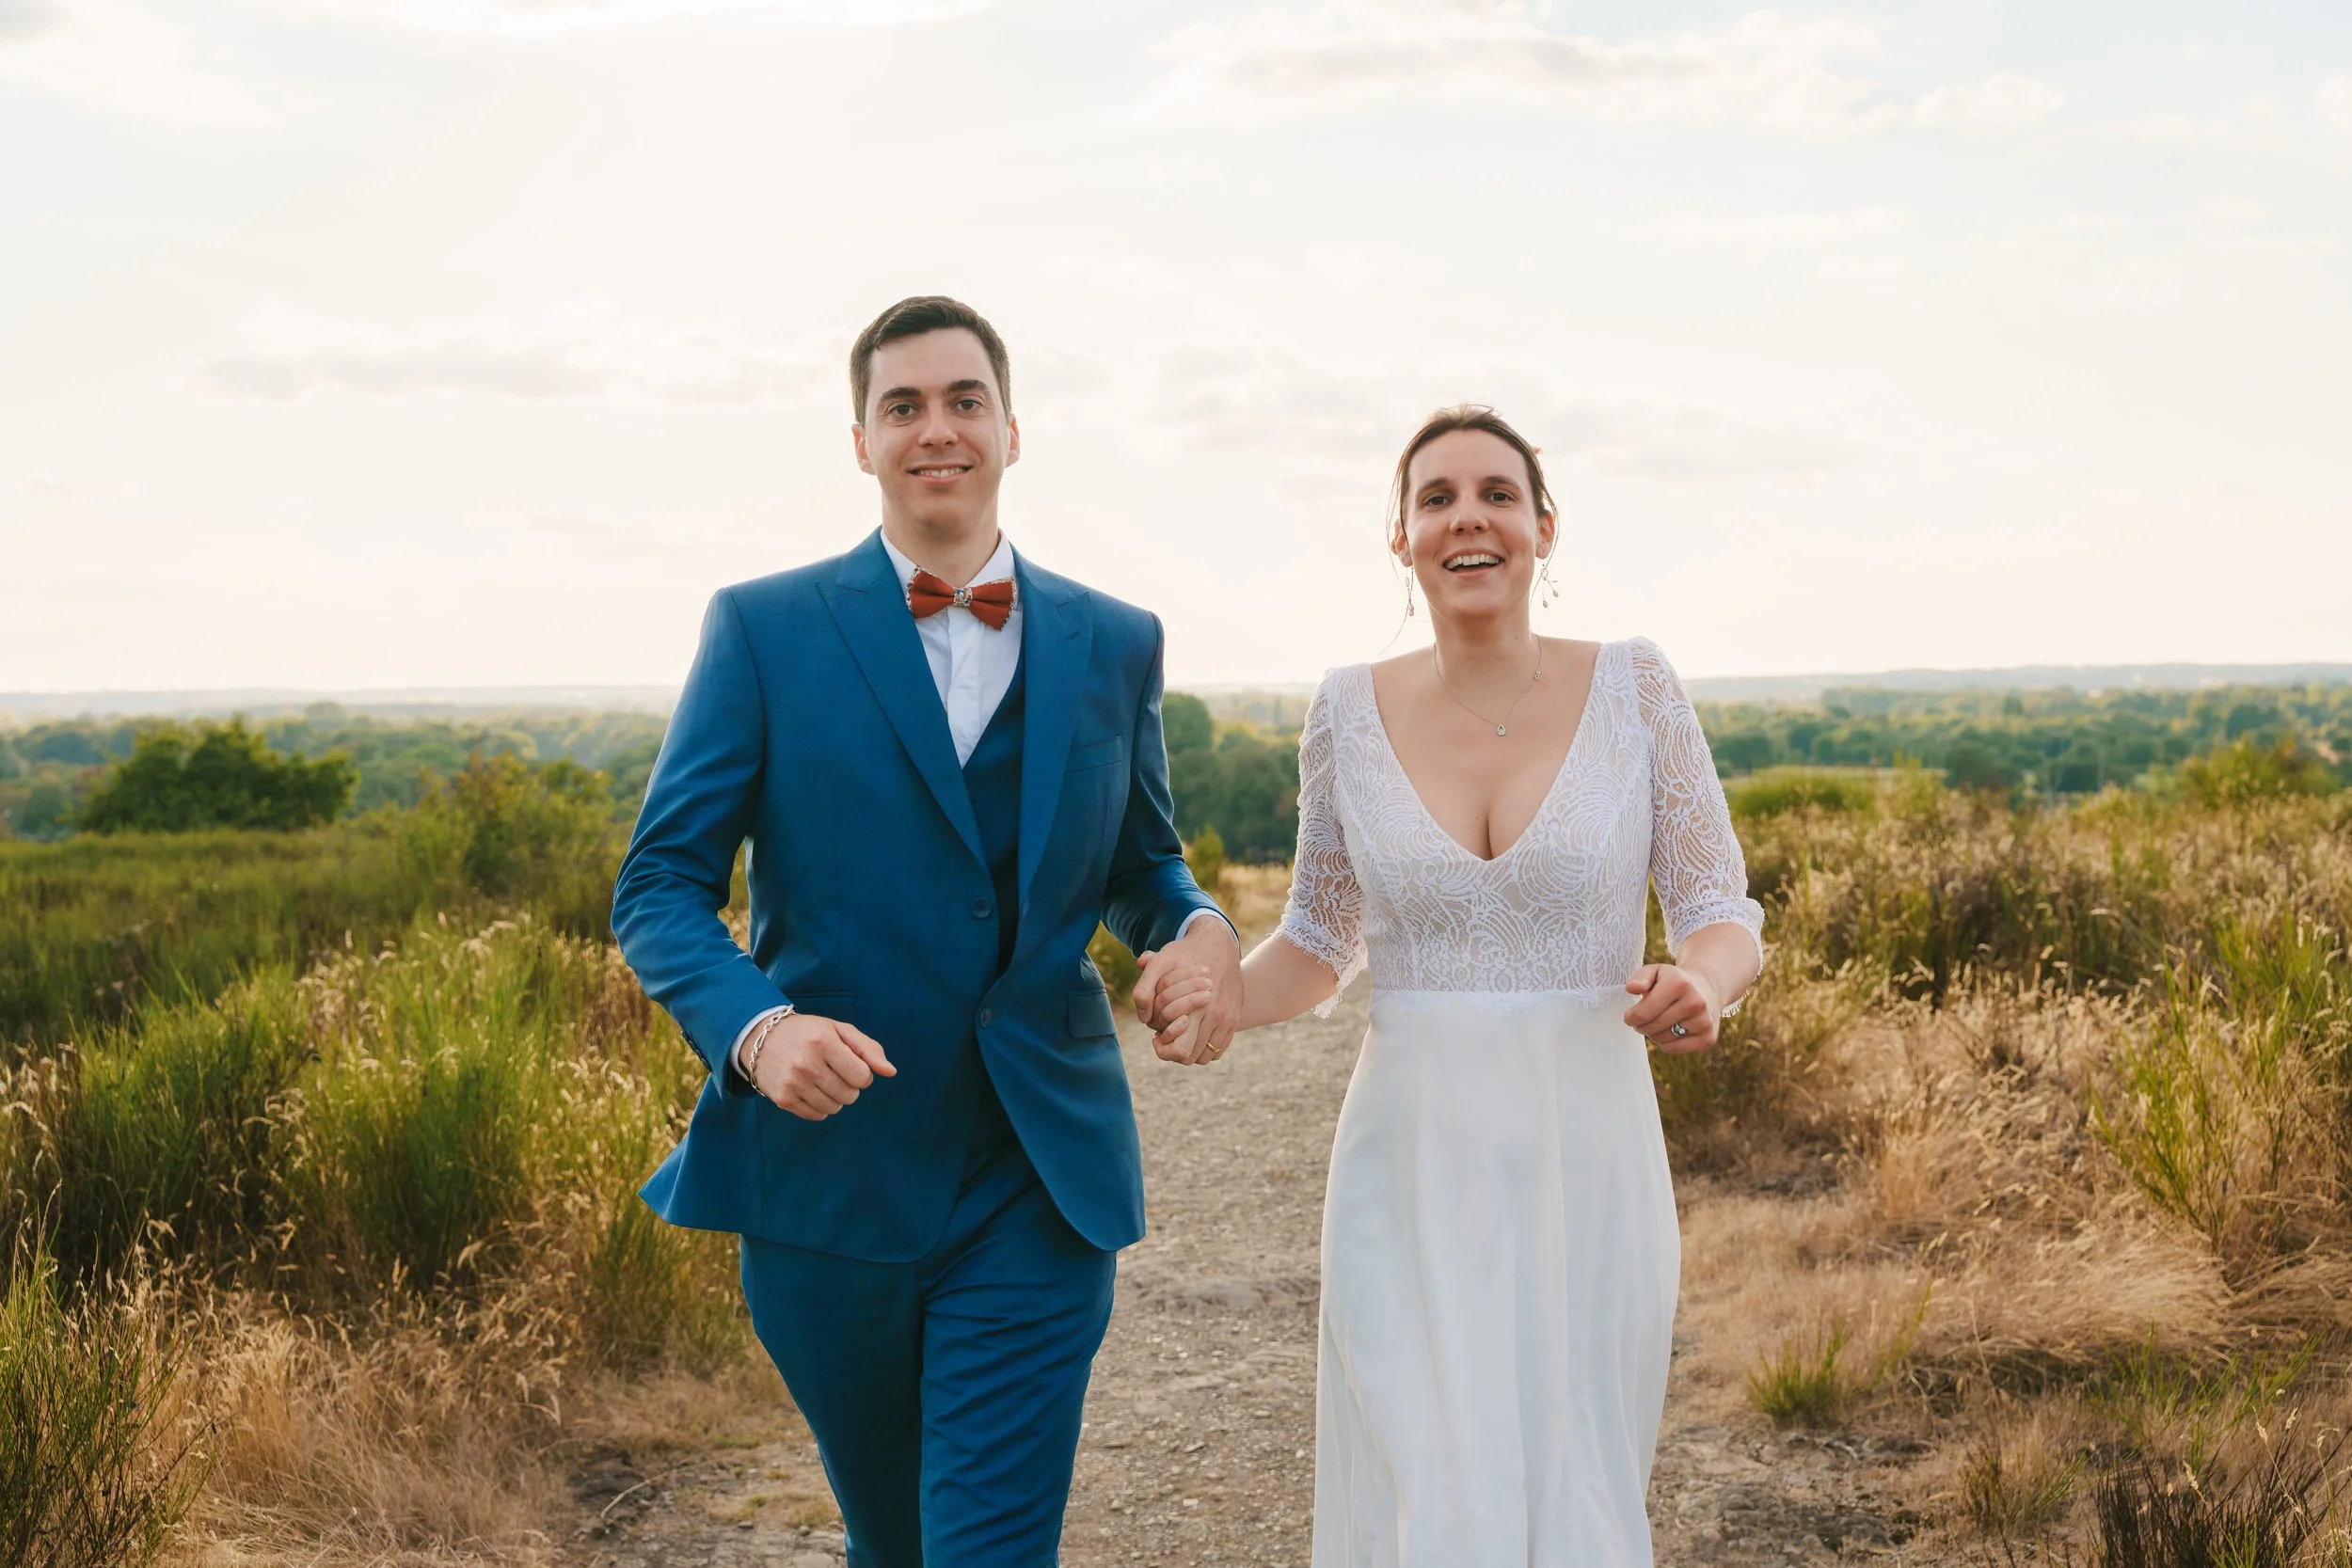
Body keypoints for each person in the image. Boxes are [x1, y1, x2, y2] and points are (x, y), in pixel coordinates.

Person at [610, 295, 1243, 1565]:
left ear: (1014, 428)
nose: (936, 427)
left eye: (964, 400)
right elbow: (659, 884)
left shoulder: (1117, 640)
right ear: (861, 440)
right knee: (893, 1539)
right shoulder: (763, 626)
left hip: (1036, 1172)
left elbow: (1145, 862)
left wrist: (1202, 926)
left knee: (987, 1549)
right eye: (904, 405)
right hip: (827, 1177)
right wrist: (757, 1028)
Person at [1203, 404, 1764, 1562]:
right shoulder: (1344, 709)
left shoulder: (1636, 686)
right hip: (1407, 1165)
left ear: (1543, 529)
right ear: (1400, 537)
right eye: (1437, 497)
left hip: (1589, 1153)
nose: (1469, 516)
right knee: (1437, 1495)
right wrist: (1219, 996)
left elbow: (1721, 911)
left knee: (1580, 1486)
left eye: (1497, 494)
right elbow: (1317, 937)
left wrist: (1702, 983)